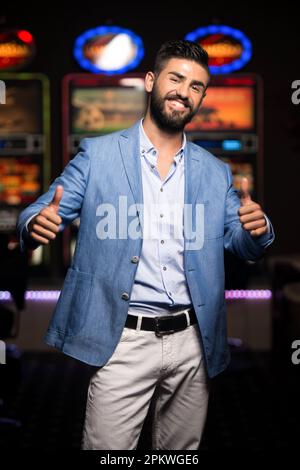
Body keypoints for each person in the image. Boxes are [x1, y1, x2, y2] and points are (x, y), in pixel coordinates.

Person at [17, 39, 275, 450]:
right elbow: (40, 210)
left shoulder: (215, 172)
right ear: (151, 81)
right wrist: (35, 223)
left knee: (180, 455)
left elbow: (242, 244)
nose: (183, 92)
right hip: (124, 339)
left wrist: (258, 229)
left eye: (196, 86)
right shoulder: (98, 154)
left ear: (202, 98)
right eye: (176, 79)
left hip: (194, 340)